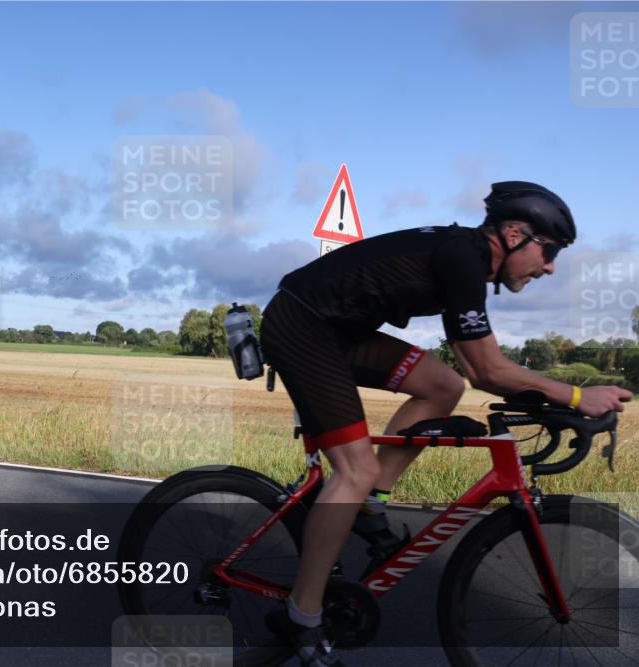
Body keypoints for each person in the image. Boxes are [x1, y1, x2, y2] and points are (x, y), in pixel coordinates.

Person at [259, 181, 633, 665]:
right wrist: (578, 395)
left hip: (339, 328)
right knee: (354, 469)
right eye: (550, 250)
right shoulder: (462, 259)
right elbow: (489, 371)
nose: (551, 266)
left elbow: (470, 373)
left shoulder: (468, 259)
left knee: (442, 386)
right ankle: (301, 618)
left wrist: (557, 397)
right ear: (515, 233)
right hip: (303, 326)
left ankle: (370, 502)